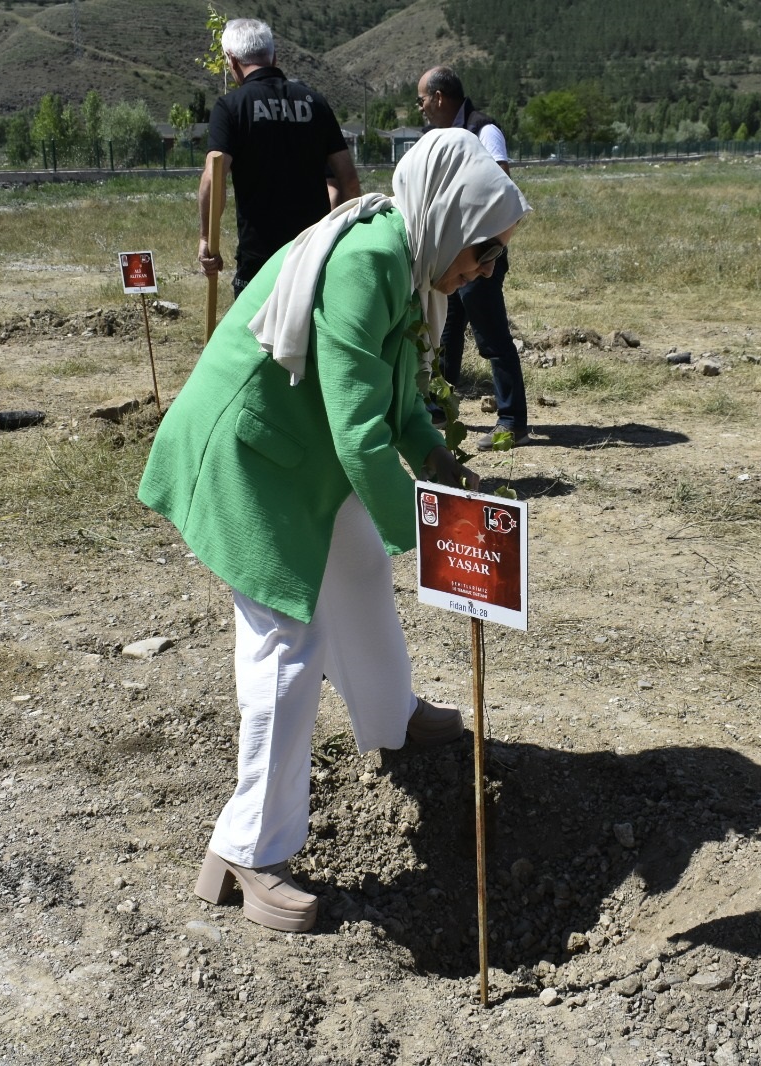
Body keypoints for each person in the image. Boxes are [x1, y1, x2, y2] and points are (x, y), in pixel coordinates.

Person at [139, 129, 531, 932]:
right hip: (250, 457)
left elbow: (395, 393)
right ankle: (253, 850)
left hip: (299, 455)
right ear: (451, 220)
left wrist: (432, 457)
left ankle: (391, 719)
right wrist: (431, 537)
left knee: (354, 572)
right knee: (286, 645)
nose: (486, 269)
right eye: (484, 249)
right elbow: (357, 428)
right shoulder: (369, 261)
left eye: (497, 256)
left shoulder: (406, 260)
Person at [199, 18, 360, 298]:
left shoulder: (230, 107)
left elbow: (214, 178)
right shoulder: (315, 103)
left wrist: (205, 239)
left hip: (260, 261)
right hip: (313, 255)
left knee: (257, 341)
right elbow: (349, 180)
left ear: (232, 61)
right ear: (274, 56)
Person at [416, 66, 530, 450]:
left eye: (422, 100)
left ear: (439, 97)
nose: (421, 109)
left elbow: (502, 193)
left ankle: (513, 420)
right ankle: (438, 407)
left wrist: (483, 252)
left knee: (491, 336)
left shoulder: (485, 131)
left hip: (478, 256)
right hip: (450, 255)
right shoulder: (440, 136)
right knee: (445, 334)